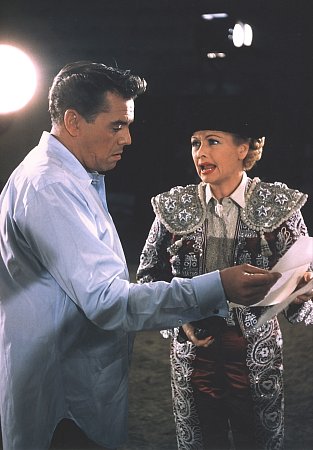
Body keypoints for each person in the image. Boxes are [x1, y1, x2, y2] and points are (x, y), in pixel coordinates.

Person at [0, 62, 280, 450]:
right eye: (117, 125)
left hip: (74, 385)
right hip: (63, 401)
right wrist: (217, 285)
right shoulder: (51, 187)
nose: (128, 138)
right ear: (73, 121)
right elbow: (109, 301)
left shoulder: (72, 178)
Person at [136, 104, 313, 450]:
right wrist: (180, 321)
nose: (200, 152)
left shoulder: (278, 205)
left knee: (258, 441)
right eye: (195, 143)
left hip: (254, 351)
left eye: (212, 141)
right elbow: (146, 278)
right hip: (193, 353)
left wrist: (303, 290)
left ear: (243, 149)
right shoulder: (174, 207)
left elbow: (304, 276)